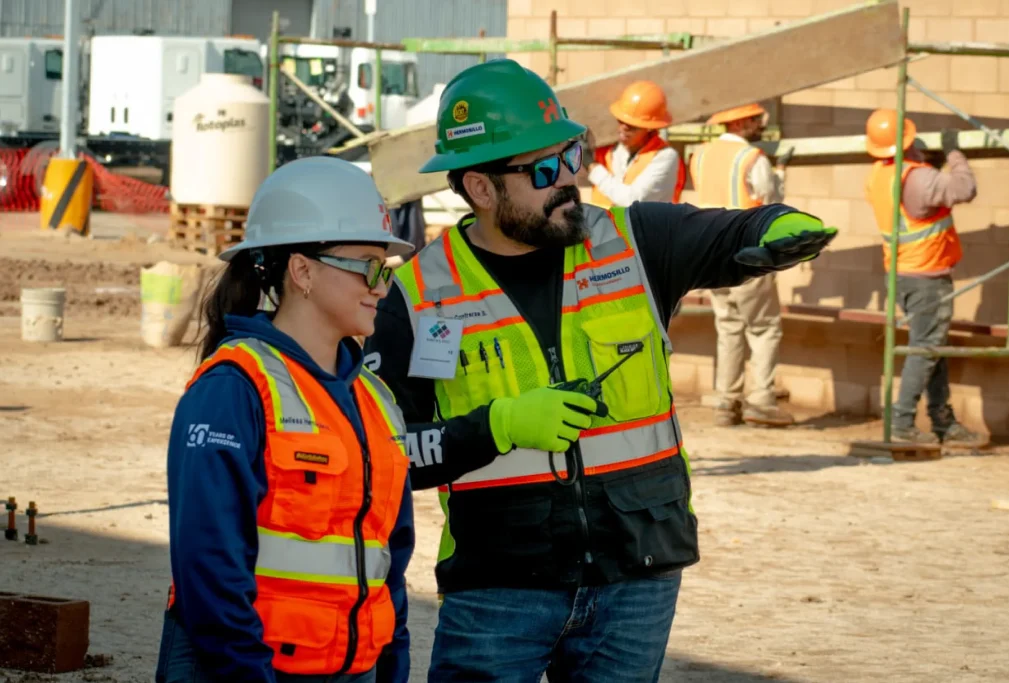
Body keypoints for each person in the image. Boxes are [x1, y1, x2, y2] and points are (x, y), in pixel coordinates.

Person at [363, 59, 837, 683]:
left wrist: (780, 226)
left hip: (636, 580)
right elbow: (385, 455)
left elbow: (735, 230)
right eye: (543, 169)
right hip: (498, 592)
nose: (570, 179)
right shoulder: (415, 297)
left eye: (572, 154)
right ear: (480, 188)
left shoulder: (638, 242)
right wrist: (496, 427)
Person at [155, 157, 417, 683]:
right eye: (368, 266)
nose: (382, 287)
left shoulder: (375, 398)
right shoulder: (233, 390)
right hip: (246, 670)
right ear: (303, 271)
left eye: (386, 269)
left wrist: (391, 665)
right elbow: (210, 569)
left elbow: (391, 559)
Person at [863, 108, 985, 446]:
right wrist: (954, 153)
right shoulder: (918, 177)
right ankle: (902, 423)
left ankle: (943, 421)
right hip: (927, 275)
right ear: (906, 141)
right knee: (925, 349)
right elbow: (965, 188)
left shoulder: (881, 174)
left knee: (931, 348)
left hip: (901, 274)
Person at [690, 102, 795, 427]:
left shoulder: (701, 155)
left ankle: (726, 401)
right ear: (740, 123)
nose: (759, 124)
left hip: (713, 255)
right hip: (749, 253)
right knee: (763, 328)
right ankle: (761, 401)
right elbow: (771, 201)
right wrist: (781, 173)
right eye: (754, 120)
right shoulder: (752, 158)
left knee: (729, 326)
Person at [585, 80, 685, 207]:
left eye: (631, 126)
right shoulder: (612, 151)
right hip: (606, 226)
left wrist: (592, 167)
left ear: (649, 128)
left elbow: (631, 200)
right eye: (620, 121)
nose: (623, 128)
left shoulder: (665, 157)